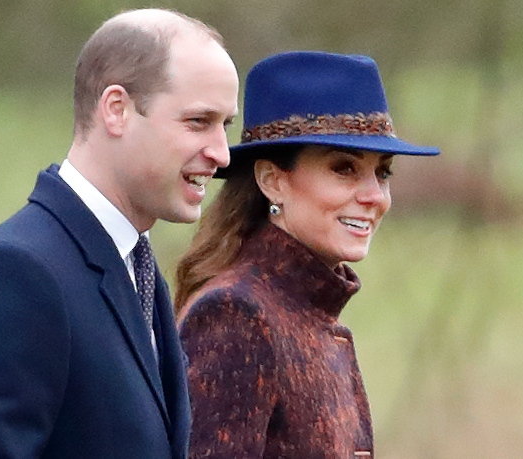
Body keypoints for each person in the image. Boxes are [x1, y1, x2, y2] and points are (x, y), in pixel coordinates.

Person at [0, 8, 239, 459]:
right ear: (117, 110)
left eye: (224, 125)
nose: (221, 154)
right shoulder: (20, 273)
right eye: (198, 122)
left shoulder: (137, 269)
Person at [175, 51, 440, 458]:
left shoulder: (304, 314)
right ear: (272, 181)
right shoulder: (237, 315)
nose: (374, 196)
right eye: (344, 168)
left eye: (382, 172)